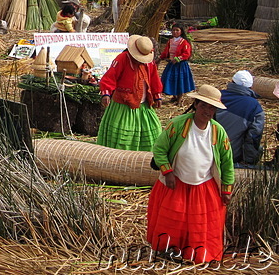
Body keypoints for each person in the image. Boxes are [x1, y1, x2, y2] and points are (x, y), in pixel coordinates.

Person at [147, 84, 234, 264]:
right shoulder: (177, 125)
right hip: (176, 183)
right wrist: (168, 172)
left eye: (211, 107)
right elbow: (159, 149)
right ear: (195, 104)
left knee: (199, 225)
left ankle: (195, 254)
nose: (207, 111)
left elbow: (227, 163)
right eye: (203, 105)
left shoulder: (218, 132)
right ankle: (170, 252)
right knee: (174, 222)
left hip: (204, 186)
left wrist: (226, 189)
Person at [97, 34, 163, 151]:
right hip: (124, 104)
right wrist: (106, 93)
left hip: (144, 104)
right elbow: (110, 76)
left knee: (155, 130)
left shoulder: (149, 62)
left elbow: (154, 78)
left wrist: (157, 96)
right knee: (123, 135)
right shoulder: (122, 58)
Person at [215, 70, 264, 167]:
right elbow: (253, 137)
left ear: (232, 82)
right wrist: (248, 162)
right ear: (251, 87)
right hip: (231, 156)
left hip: (207, 151)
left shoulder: (216, 97)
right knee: (260, 149)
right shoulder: (255, 107)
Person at [159, 24, 195, 103]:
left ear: (181, 32)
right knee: (169, 79)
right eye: (173, 30)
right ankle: (174, 96)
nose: (175, 32)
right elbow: (166, 51)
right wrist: (160, 58)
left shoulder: (184, 42)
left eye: (177, 30)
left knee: (179, 81)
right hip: (172, 64)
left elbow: (186, 54)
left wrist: (178, 59)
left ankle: (179, 98)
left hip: (180, 65)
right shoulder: (170, 41)